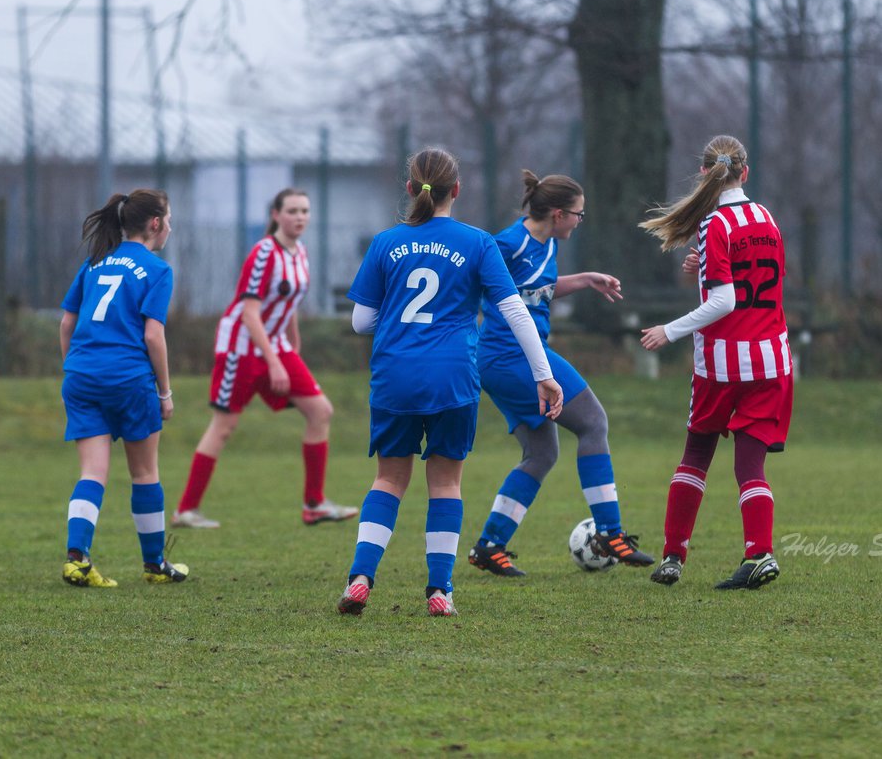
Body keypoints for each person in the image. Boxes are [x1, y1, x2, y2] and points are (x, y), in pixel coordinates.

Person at [339, 148, 564, 617]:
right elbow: (514, 310)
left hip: (395, 376)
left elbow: (361, 322)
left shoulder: (385, 242)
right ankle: (440, 590)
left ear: (410, 189)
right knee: (445, 483)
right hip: (453, 378)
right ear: (456, 190)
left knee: (387, 478)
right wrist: (543, 375)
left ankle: (361, 576)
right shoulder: (478, 242)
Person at [466, 170, 654, 577]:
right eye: (577, 214)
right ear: (556, 213)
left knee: (541, 454)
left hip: (516, 358)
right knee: (593, 422)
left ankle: (489, 546)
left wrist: (585, 280)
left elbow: (539, 288)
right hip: (508, 356)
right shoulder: (508, 243)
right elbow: (473, 287)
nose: (580, 220)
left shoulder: (548, 242)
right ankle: (610, 533)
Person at [638, 134, 791, 590]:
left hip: (723, 364)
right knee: (750, 467)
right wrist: (702, 268)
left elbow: (725, 301)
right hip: (772, 361)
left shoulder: (715, 224)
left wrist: (671, 329)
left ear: (705, 174)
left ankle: (672, 557)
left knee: (696, 457)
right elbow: (757, 282)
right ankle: (759, 554)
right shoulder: (767, 218)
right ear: (747, 172)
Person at [171, 188, 357, 529]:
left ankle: (314, 503)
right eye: (292, 211)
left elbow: (290, 305)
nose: (300, 217)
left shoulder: (300, 253)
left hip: (274, 345)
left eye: (305, 210)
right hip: (241, 347)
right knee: (224, 426)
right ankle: (185, 510)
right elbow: (249, 313)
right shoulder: (263, 253)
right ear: (276, 215)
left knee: (320, 411)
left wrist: (293, 342)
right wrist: (274, 362)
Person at [59, 188, 189, 587]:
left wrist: (75, 369)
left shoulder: (94, 263)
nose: (169, 226)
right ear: (155, 224)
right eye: (168, 219)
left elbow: (66, 324)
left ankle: (77, 558)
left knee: (92, 471)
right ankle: (155, 566)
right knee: (145, 471)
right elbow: (153, 337)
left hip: (81, 375)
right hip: (128, 378)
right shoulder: (157, 269)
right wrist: (164, 393)